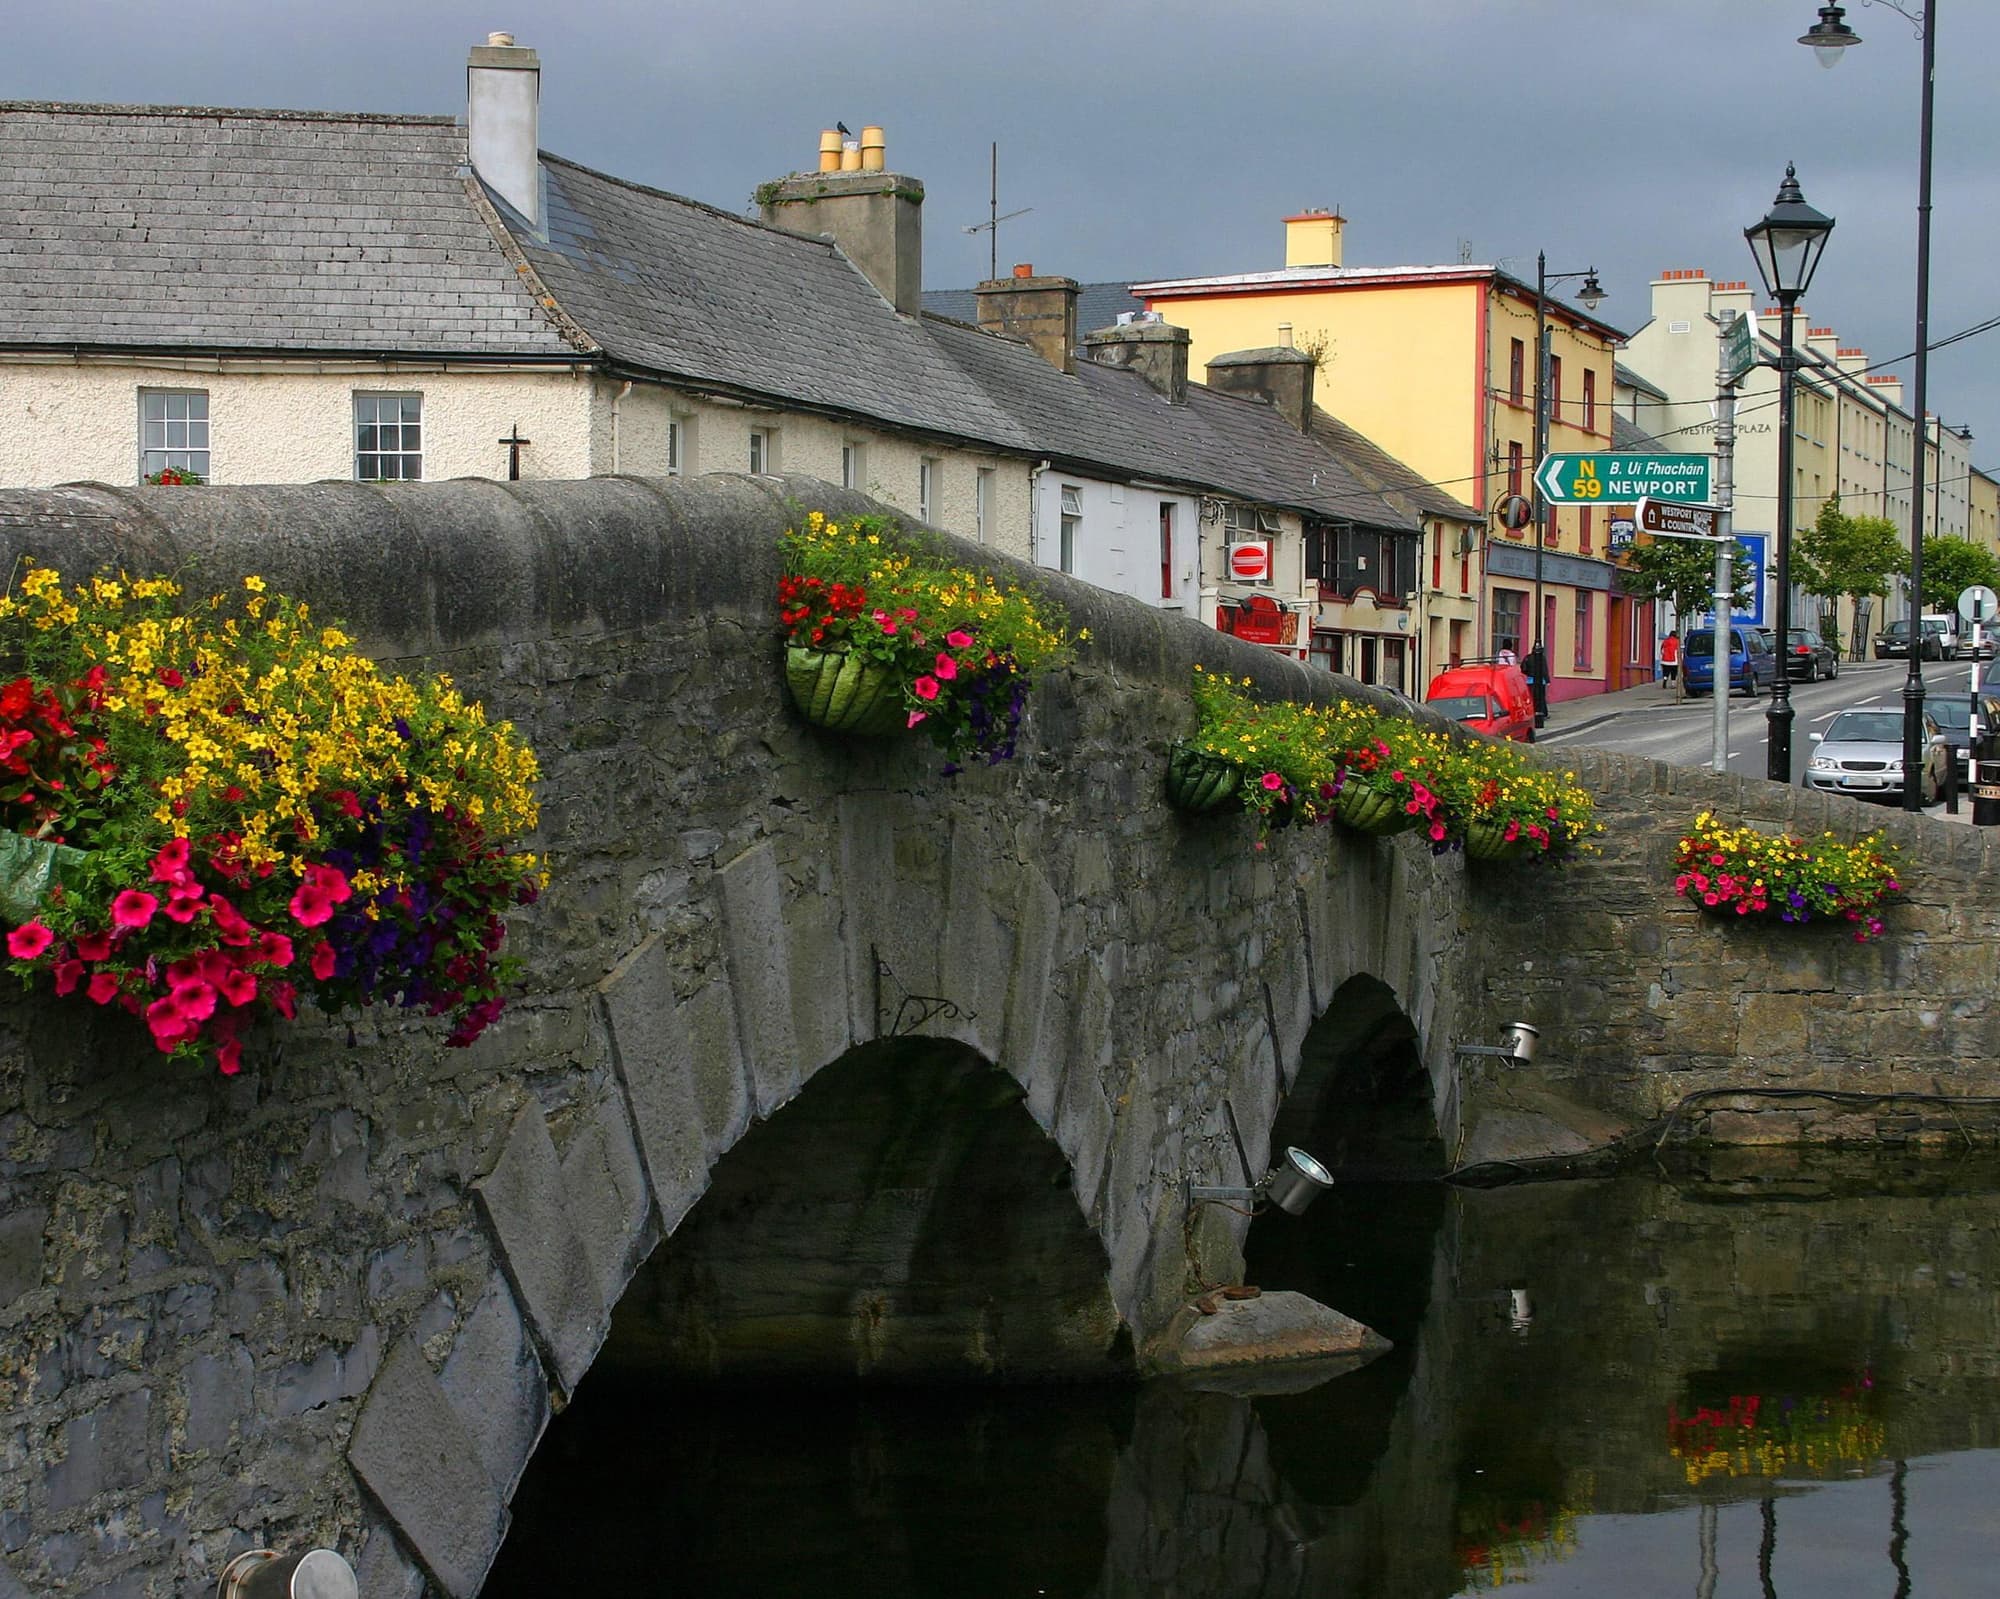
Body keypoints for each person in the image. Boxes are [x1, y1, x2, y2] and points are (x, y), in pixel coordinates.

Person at [1522, 641, 1549, 726]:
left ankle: (1531, 712)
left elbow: (1523, 668)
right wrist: (1547, 680)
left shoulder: (1528, 657)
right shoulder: (1542, 658)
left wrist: (1528, 674)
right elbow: (1544, 670)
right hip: (1541, 681)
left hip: (1530, 681)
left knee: (1531, 697)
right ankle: (1543, 712)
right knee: (1541, 697)